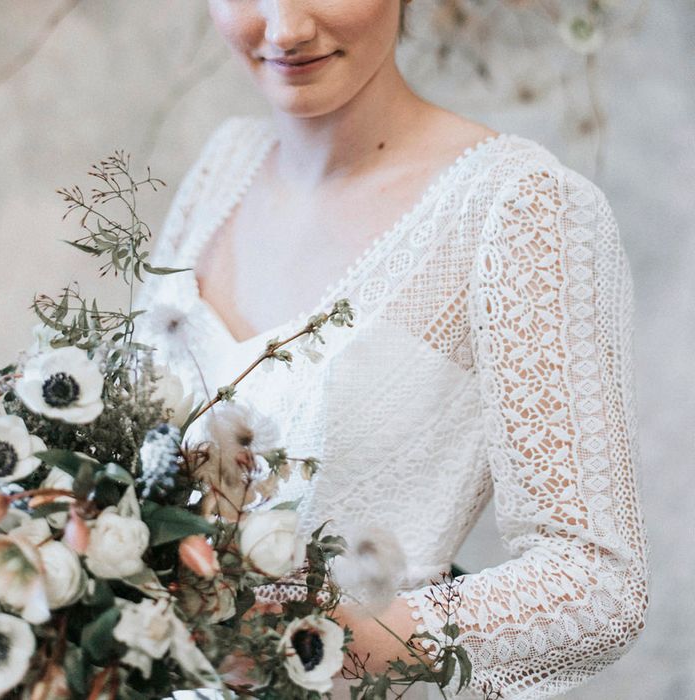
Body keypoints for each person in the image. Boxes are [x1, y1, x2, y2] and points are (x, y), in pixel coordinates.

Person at [137, 1, 649, 697]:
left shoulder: (521, 209)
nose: (283, 29)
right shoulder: (225, 165)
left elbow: (595, 583)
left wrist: (311, 640)